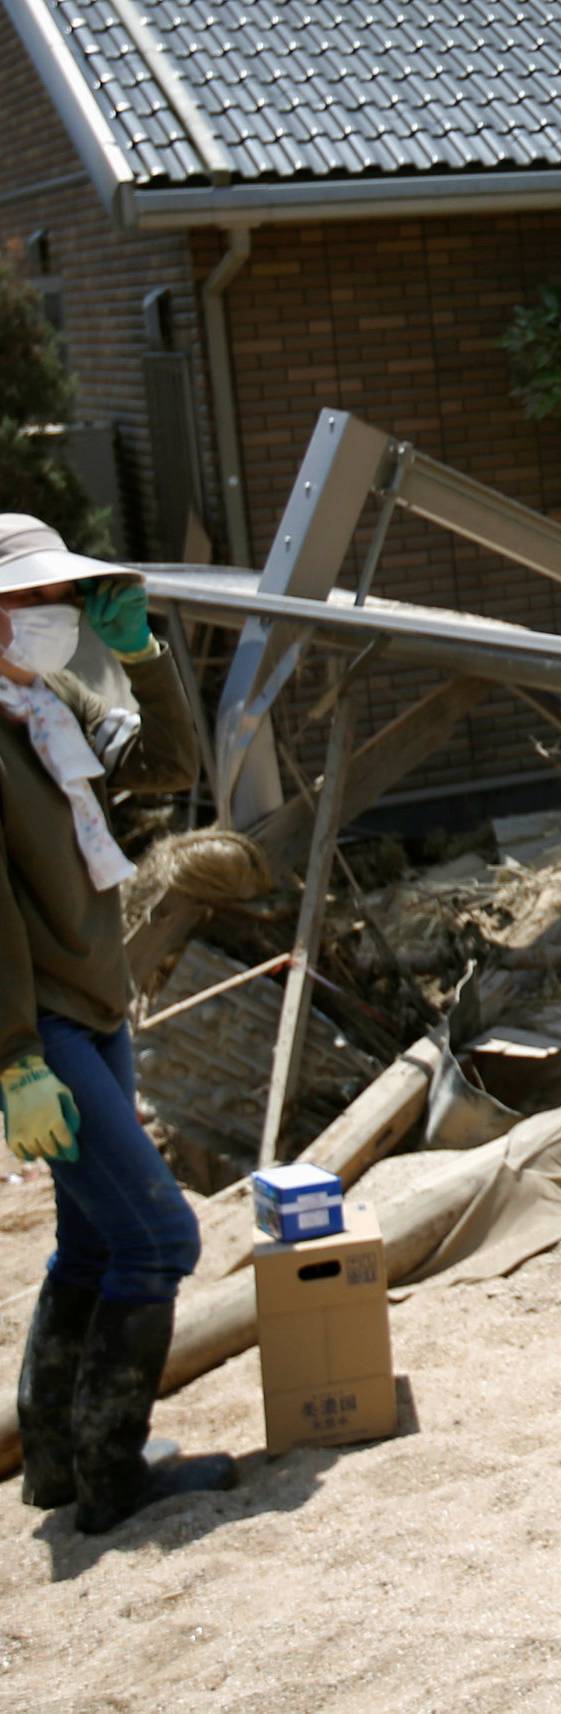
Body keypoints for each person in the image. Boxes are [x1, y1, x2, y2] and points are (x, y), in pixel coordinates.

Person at [0, 513, 237, 1532]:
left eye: (64, 599)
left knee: (94, 1243)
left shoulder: (44, 702)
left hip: (95, 1002)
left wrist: (143, 652)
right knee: (159, 1235)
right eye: (35, 599)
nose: (57, 614)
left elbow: (170, 766)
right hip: (42, 1018)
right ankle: (112, 1470)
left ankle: (52, 1461)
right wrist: (14, 1058)